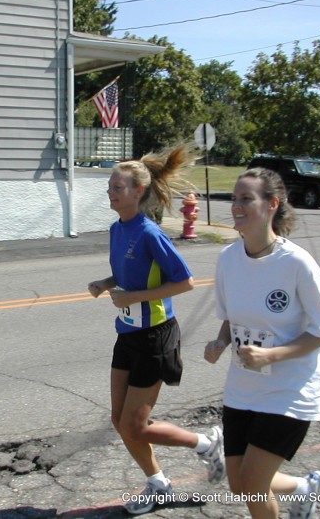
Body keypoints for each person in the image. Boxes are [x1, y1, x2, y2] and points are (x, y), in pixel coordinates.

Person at [88, 145, 225, 515]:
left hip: (156, 336)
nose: (111, 192)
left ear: (138, 192)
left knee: (135, 425)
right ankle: (158, 484)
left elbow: (185, 282)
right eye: (110, 187)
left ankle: (205, 443)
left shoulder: (150, 232)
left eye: (118, 186)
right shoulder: (118, 229)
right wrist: (106, 281)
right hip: (128, 333)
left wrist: (135, 295)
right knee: (120, 421)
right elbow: (130, 272)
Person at [204, 168, 320, 519]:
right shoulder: (229, 259)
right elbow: (230, 317)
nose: (236, 205)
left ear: (272, 204)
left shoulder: (296, 263)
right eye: (234, 198)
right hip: (243, 387)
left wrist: (272, 355)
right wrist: (220, 342)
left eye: (246, 198)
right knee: (239, 484)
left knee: (252, 485)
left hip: (289, 389)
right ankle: (304, 488)